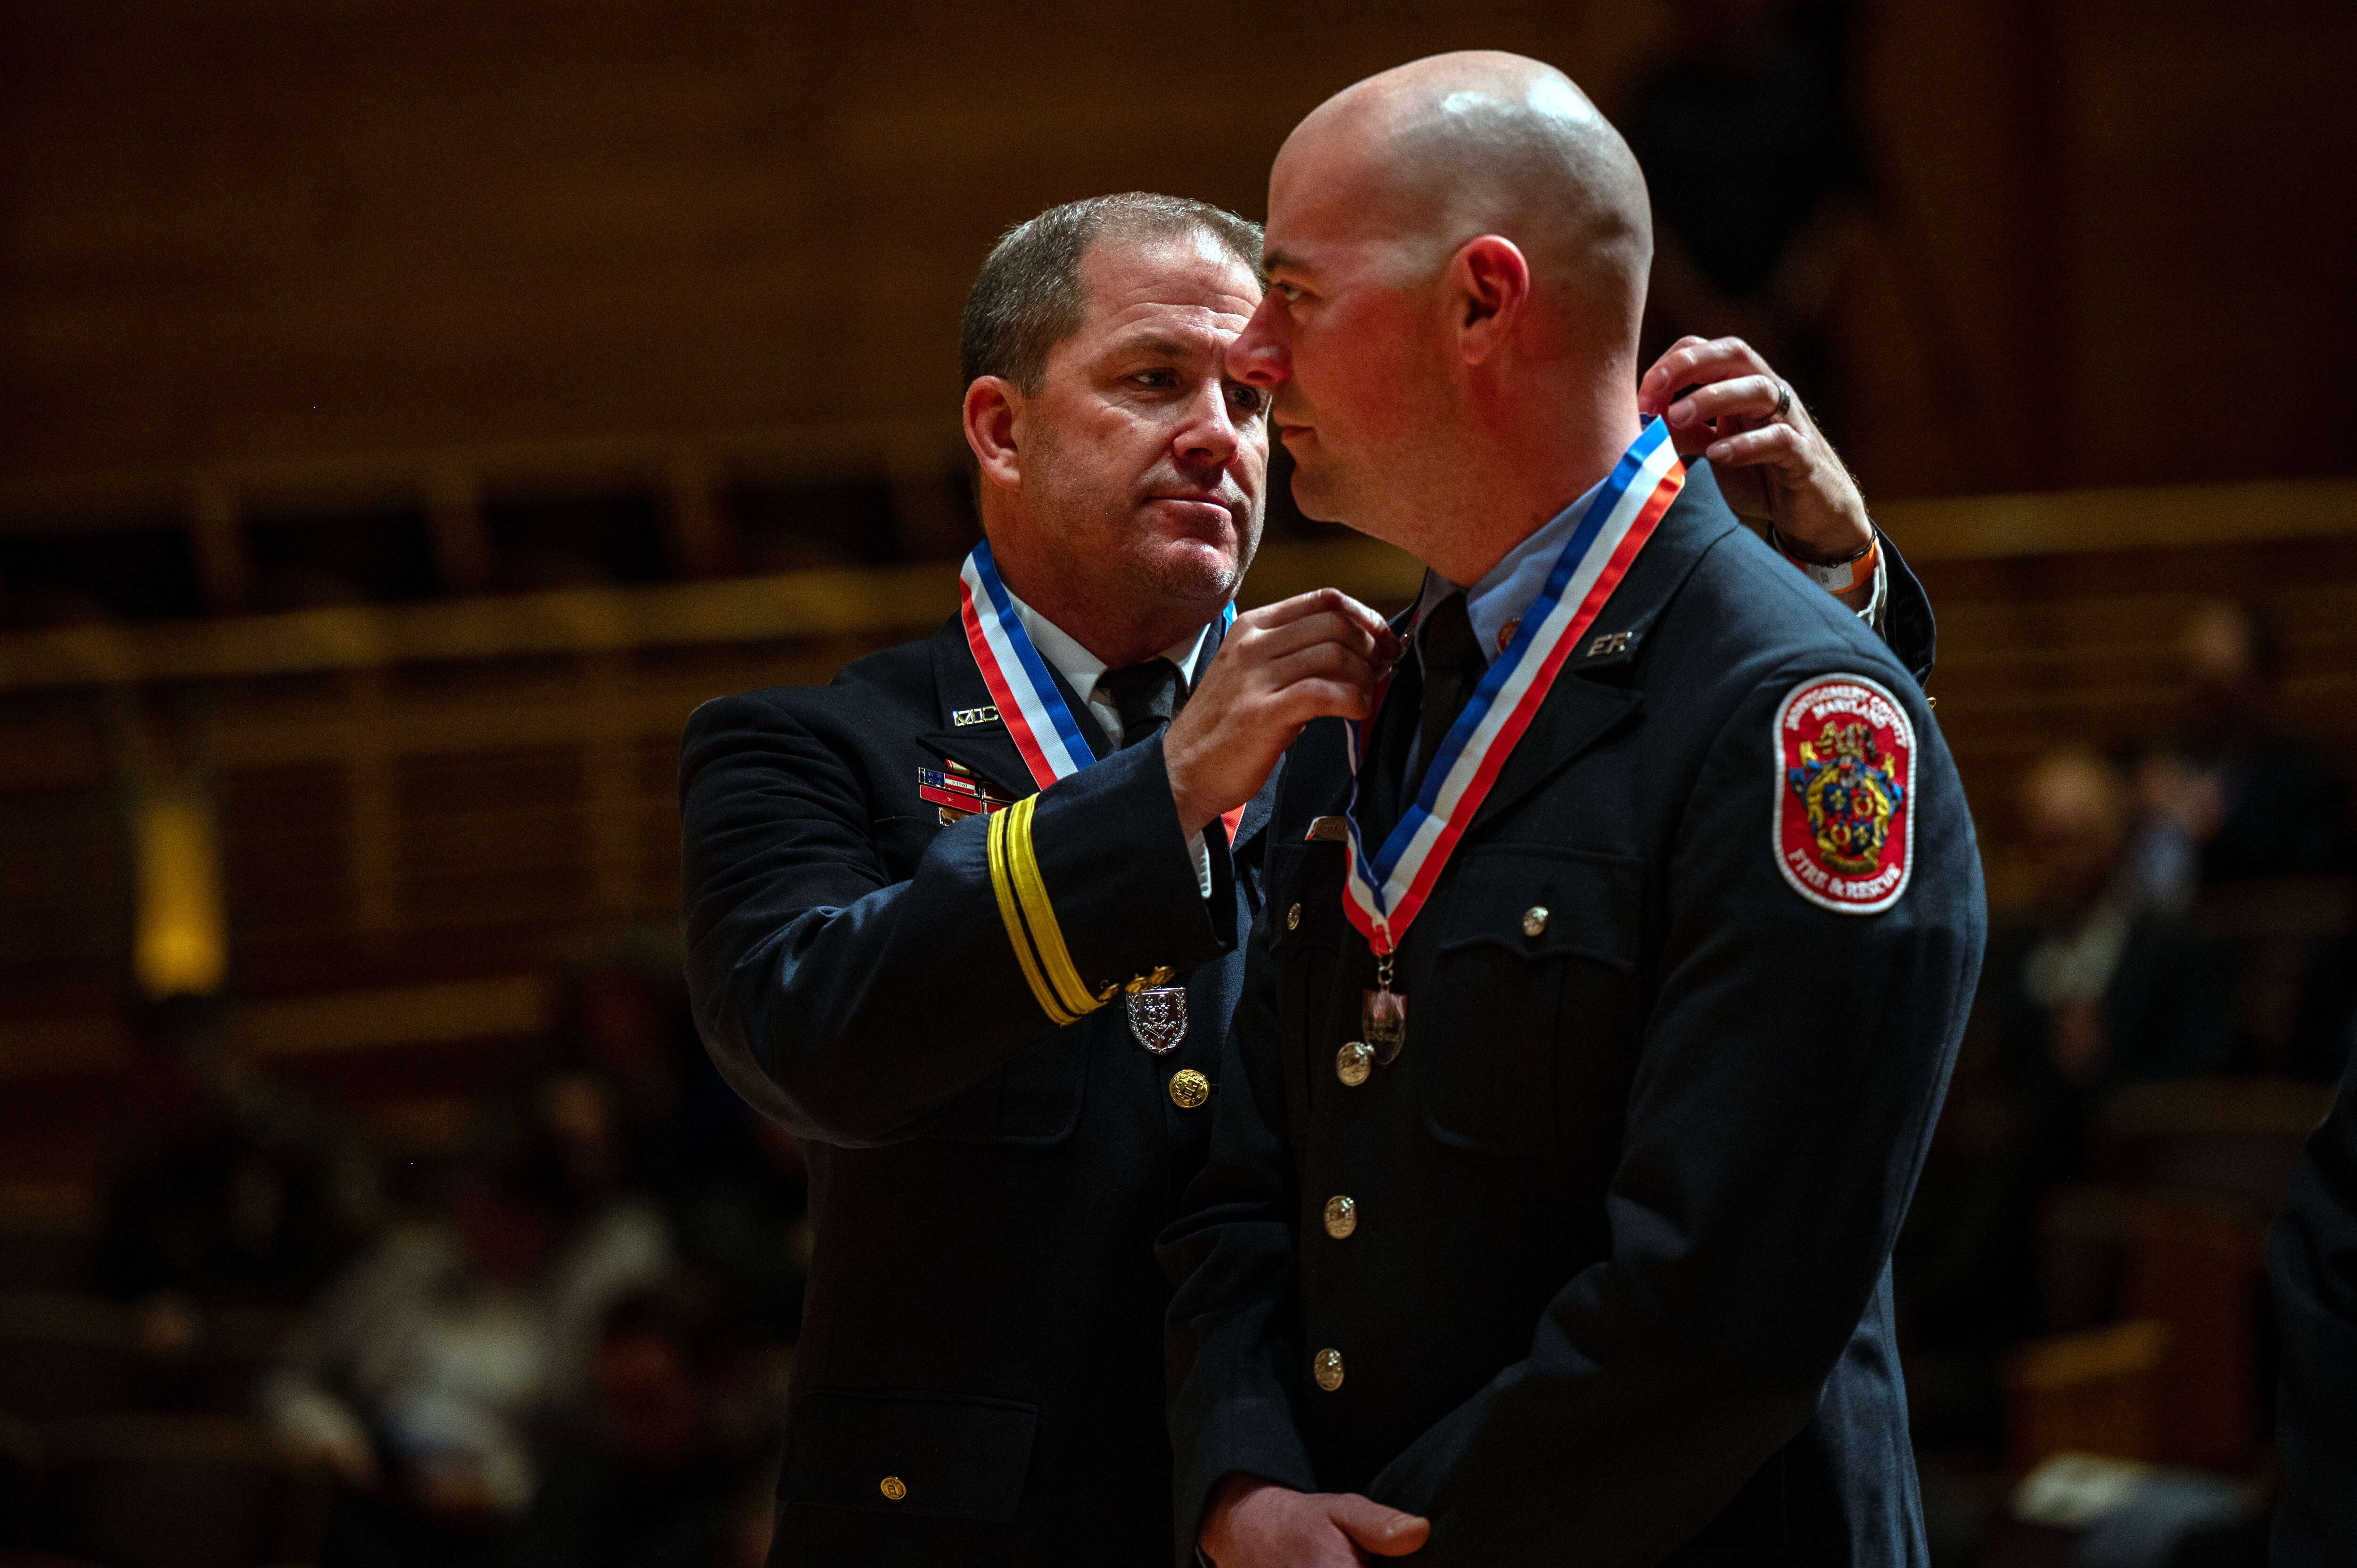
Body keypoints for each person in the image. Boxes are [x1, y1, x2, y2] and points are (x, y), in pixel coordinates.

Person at [680, 191, 1931, 1563]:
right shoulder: (814, 748)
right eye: (1155, 380)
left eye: (1256, 396)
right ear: (1002, 427)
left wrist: (1831, 590)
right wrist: (1160, 796)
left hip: (1324, 1501)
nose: (1221, 434)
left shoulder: (1388, 712)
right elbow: (809, 1037)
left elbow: (1713, 808)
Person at [1160, 52, 1984, 1568]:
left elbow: (1718, 1313)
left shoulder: (1794, 715)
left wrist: (1394, 1547)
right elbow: (1251, 1181)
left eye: (1297, 295)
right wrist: (1243, 1478)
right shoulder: (1372, 688)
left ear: (1485, 300)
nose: (1254, 357)